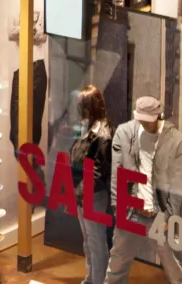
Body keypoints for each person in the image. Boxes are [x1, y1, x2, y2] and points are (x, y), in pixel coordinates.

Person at [107, 96, 182, 284]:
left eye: (147, 120)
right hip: (131, 212)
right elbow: (117, 174)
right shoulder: (124, 133)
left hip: (159, 216)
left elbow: (178, 183)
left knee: (176, 272)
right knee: (116, 268)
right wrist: (118, 208)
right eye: (140, 118)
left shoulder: (176, 140)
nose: (142, 123)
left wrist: (169, 216)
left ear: (158, 116)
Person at [72, 85, 112, 284]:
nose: (80, 109)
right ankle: (92, 278)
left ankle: (99, 280)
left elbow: (100, 171)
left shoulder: (102, 133)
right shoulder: (88, 127)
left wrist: (82, 191)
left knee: (96, 242)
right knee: (88, 240)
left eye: (84, 105)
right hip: (83, 192)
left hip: (93, 195)